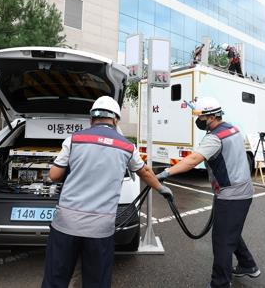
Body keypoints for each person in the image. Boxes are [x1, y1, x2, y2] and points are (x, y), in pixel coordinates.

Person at [41, 96, 173, 288]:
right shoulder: (127, 146)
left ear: (91, 118)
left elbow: (54, 175)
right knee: (97, 281)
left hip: (66, 224)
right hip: (100, 228)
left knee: (55, 278)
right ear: (116, 120)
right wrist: (162, 188)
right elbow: (144, 172)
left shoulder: (74, 139)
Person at [156, 97, 259, 288]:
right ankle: (248, 265)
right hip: (242, 191)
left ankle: (220, 283)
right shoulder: (233, 129)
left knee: (222, 241)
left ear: (211, 117)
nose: (198, 120)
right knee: (230, 232)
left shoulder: (214, 137)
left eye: (200, 117)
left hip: (231, 195)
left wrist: (166, 172)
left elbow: (193, 160)